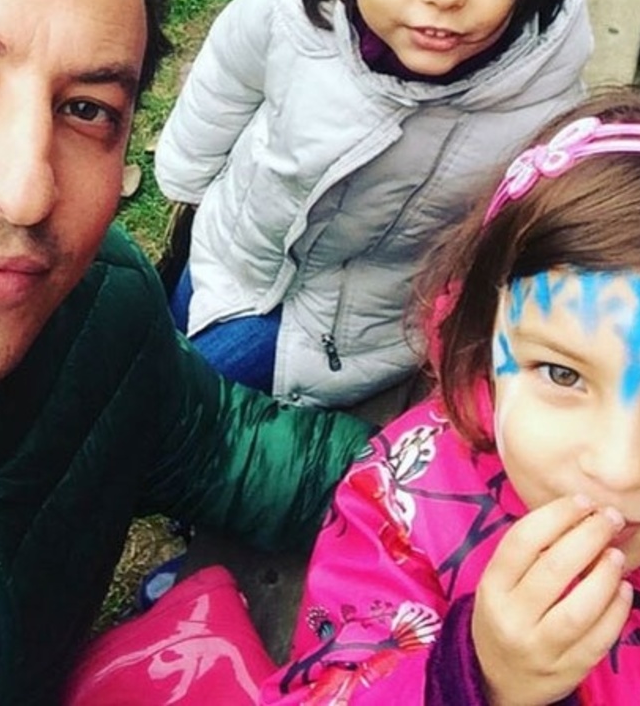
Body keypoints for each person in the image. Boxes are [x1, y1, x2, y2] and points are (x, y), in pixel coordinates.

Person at [0, 0, 372, 706]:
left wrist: (475, 496)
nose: (27, 189)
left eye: (86, 109)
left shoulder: (98, 308)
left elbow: (217, 444)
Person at [154, 0, 592, 409]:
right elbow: (225, 81)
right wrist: (186, 176)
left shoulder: (540, 106)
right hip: (234, 258)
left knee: (207, 413)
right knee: (165, 355)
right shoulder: (290, 14)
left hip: (367, 336)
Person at [258, 86, 640, 704]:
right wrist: (474, 678)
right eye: (562, 374)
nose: (619, 469)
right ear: (484, 343)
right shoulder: (400, 507)